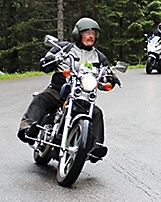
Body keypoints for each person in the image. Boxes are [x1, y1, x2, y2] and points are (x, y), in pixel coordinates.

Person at [17, 17, 112, 162]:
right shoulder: (65, 48)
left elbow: (107, 73)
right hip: (58, 91)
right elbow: (45, 63)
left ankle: (96, 147)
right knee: (41, 98)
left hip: (83, 97)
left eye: (93, 33)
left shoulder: (100, 58)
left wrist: (110, 78)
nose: (90, 36)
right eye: (86, 32)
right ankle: (27, 128)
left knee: (97, 113)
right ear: (78, 33)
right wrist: (50, 60)